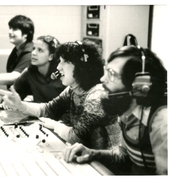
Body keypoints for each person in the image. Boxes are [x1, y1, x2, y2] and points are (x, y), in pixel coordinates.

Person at [62, 45, 167, 175]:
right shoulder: (128, 112)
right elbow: (124, 155)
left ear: (140, 84)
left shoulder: (163, 123)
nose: (102, 79)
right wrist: (92, 153)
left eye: (111, 74)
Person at [2, 39, 121, 150]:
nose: (58, 67)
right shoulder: (72, 90)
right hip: (88, 157)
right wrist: (21, 105)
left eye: (64, 62)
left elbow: (75, 137)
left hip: (105, 166)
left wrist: (55, 125)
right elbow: (48, 110)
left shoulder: (96, 96)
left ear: (80, 67)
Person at [12, 35, 66, 103]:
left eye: (40, 50)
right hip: (38, 112)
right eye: (33, 48)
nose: (33, 53)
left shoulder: (63, 76)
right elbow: (14, 94)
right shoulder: (29, 72)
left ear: (51, 56)